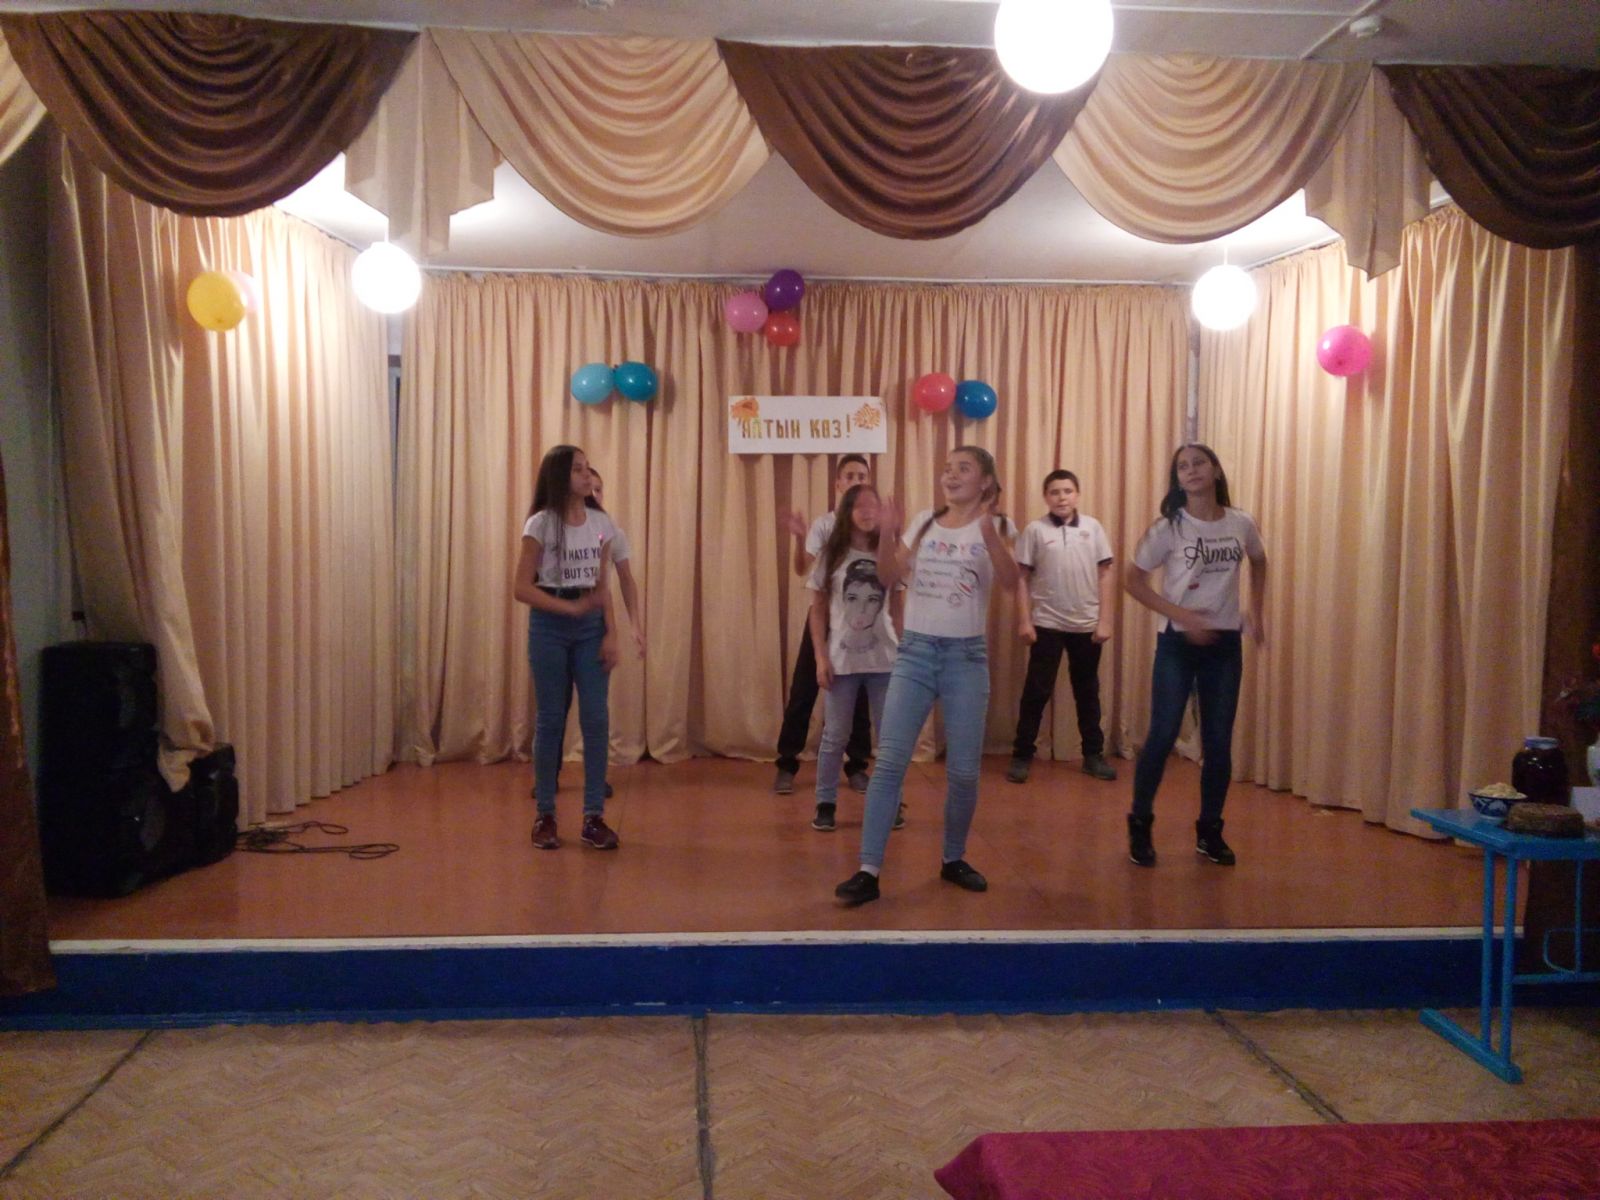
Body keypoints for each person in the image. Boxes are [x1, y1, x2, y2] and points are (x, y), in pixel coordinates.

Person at [834, 446, 1020, 907]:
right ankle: (868, 870)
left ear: (985, 481)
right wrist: (888, 533)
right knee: (890, 762)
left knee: (963, 772)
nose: (950, 475)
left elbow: (1012, 582)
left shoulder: (999, 526)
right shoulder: (922, 522)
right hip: (915, 654)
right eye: (947, 468)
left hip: (965, 658)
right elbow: (886, 576)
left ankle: (953, 858)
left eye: (963, 469)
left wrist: (987, 532)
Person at [1122, 443, 1267, 868]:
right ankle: (1140, 822)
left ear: (1216, 470)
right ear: (1177, 480)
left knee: (1218, 742)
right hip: (1178, 644)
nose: (1191, 470)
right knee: (1163, 733)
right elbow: (1132, 581)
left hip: (1224, 643)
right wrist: (1182, 614)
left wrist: (1256, 612)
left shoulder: (1240, 522)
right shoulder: (1168, 528)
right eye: (1182, 467)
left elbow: (1260, 561)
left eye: (1199, 463)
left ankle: (1210, 830)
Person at [513, 445, 622, 851]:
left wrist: (611, 632)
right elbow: (521, 588)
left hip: (591, 627)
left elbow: (603, 586)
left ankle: (594, 817)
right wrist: (568, 608)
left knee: (596, 718)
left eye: (586, 468)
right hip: (549, 626)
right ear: (559, 476)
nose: (586, 475)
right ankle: (545, 814)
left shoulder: (601, 523)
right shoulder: (540, 524)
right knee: (550, 720)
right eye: (577, 469)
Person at [774, 455, 875, 795]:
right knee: (804, 690)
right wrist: (799, 539)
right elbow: (802, 568)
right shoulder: (825, 524)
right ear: (838, 484)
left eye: (862, 476)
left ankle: (857, 766)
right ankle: (787, 764)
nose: (856, 481)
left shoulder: (873, 526)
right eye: (850, 476)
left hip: (860, 625)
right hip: (824, 618)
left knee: (859, 695)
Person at [1008, 470, 1117, 784]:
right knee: (1036, 691)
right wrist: (1025, 620)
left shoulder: (1093, 528)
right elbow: (1021, 578)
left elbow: (1105, 574)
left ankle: (1093, 756)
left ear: (1077, 494)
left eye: (1067, 491)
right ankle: (1022, 755)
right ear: (1046, 497)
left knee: (1087, 691)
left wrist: (1105, 620)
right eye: (1055, 492)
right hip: (1047, 623)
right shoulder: (1035, 530)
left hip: (1086, 624)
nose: (1062, 497)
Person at [807, 484, 903, 832]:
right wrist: (821, 657)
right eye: (859, 506)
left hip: (885, 660)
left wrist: (905, 652)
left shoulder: (888, 550)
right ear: (847, 512)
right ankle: (825, 802)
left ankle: (891, 803)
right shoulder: (832, 555)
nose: (867, 512)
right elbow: (817, 610)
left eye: (873, 505)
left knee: (890, 738)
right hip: (842, 661)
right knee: (835, 736)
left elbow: (898, 604)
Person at [553, 468, 641, 801]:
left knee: (595, 709)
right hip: (558, 625)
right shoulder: (554, 527)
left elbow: (625, 580)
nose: (595, 494)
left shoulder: (610, 531)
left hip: (594, 626)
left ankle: (596, 777)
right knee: (555, 706)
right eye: (590, 488)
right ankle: (549, 773)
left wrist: (634, 626)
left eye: (599, 489)